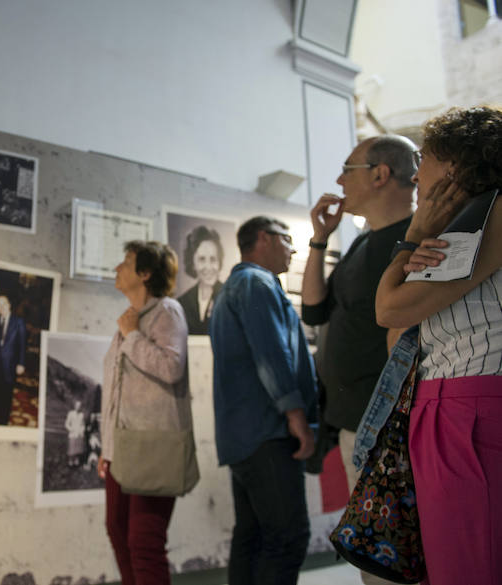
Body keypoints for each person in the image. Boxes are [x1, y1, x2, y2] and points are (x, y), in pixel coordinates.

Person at [374, 106, 502, 585]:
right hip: (442, 405)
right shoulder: (454, 229)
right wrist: (414, 240)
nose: (416, 172)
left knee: (472, 565)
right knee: (452, 564)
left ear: (454, 166)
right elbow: (395, 332)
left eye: (424, 158)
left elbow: (389, 309)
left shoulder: (497, 211)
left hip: (471, 405)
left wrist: (410, 240)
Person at [300, 136, 417, 583]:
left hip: (388, 424)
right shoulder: (362, 243)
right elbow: (314, 308)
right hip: (356, 420)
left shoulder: (414, 240)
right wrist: (318, 241)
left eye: (347, 168)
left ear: (380, 174)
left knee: (388, 554)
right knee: (371, 556)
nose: (337, 179)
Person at [209, 216, 317, 585]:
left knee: (252, 539)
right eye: (287, 239)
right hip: (267, 433)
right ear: (263, 239)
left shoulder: (227, 291)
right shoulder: (257, 283)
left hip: (242, 439)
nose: (293, 249)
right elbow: (271, 355)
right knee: (288, 539)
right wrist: (296, 416)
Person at [98, 240, 193, 585]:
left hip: (153, 449)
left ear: (146, 273)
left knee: (144, 542)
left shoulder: (167, 311)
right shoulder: (129, 321)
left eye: (126, 262)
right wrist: (106, 449)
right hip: (121, 450)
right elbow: (115, 395)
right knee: (118, 531)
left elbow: (171, 368)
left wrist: (133, 335)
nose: (117, 269)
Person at [176, 225, 225, 335]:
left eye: (213, 259)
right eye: (202, 259)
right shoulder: (182, 302)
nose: (208, 267)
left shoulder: (230, 297)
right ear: (193, 263)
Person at [0, 294, 26, 425]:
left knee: (7, 392)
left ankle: (3, 420)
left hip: (11, 364)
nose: (1, 307)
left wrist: (21, 363)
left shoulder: (18, 322)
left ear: (9, 305)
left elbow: (22, 344)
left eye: (4, 304)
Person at [64, 400, 86, 467]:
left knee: (78, 448)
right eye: (77, 406)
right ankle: (70, 461)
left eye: (79, 406)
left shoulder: (82, 415)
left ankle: (77, 461)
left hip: (79, 433)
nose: (78, 407)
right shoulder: (71, 413)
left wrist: (82, 431)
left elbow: (83, 425)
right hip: (72, 433)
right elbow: (66, 424)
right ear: (75, 406)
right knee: (72, 448)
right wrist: (71, 429)